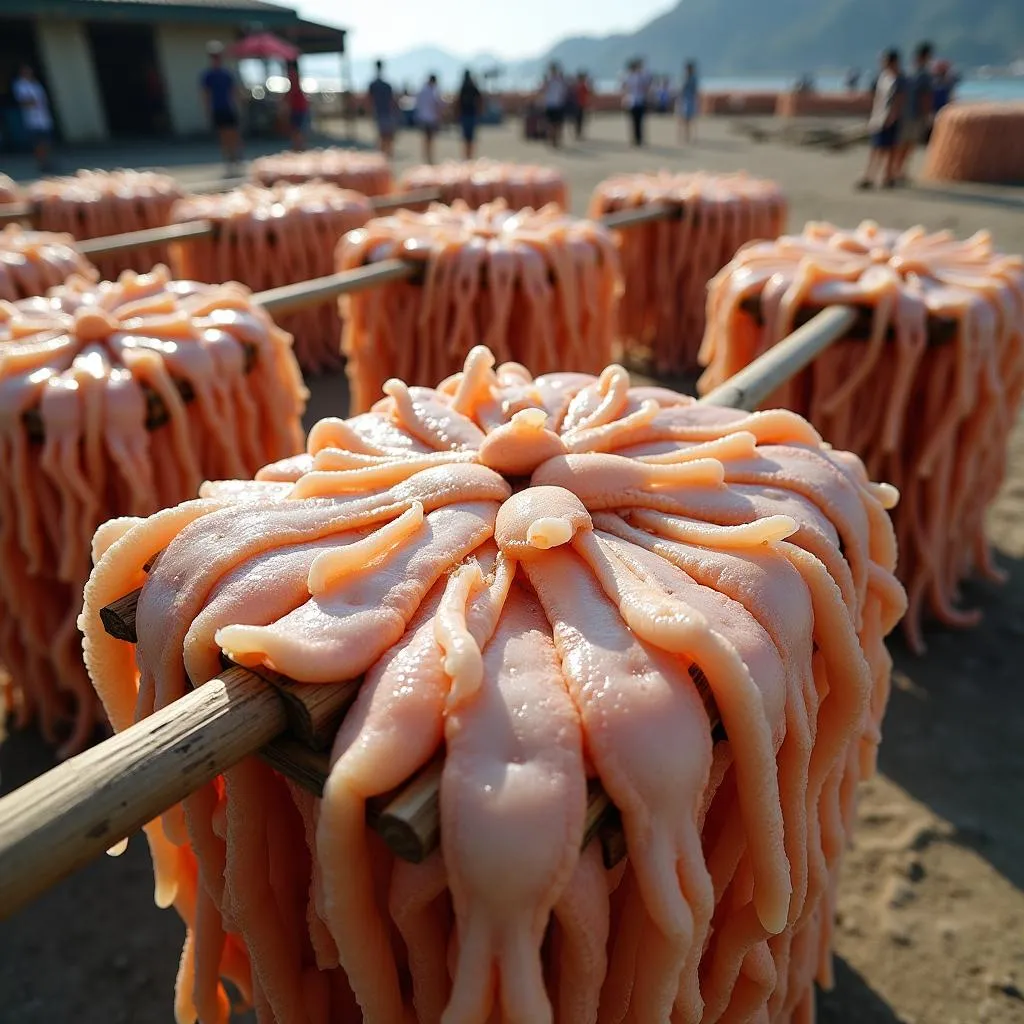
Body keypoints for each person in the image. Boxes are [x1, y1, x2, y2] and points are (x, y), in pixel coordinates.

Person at [857, 48, 905, 190]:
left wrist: (893, 116)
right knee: (876, 148)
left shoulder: (899, 79)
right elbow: (877, 98)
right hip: (879, 116)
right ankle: (870, 176)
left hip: (891, 118)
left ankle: (888, 176)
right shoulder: (883, 77)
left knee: (890, 149)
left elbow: (899, 99)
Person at [200, 42, 242, 175]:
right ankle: (228, 159)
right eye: (214, 56)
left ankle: (236, 157)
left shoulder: (226, 74)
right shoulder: (208, 75)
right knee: (223, 135)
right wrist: (207, 110)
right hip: (217, 108)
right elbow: (205, 93)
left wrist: (237, 105)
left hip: (228, 107)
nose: (216, 58)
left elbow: (233, 91)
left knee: (233, 133)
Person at [894, 41, 933, 182]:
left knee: (901, 142)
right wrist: (928, 115)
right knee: (909, 143)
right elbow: (925, 97)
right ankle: (900, 171)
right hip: (915, 114)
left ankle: (896, 169)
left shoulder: (908, 72)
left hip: (904, 113)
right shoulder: (924, 75)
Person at [13, 65, 53, 172]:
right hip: (32, 120)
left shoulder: (35, 84)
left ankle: (47, 161)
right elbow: (23, 101)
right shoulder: (20, 85)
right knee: (38, 143)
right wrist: (32, 103)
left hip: (44, 117)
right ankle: (41, 163)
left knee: (46, 141)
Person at [368, 60, 397, 158]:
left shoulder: (374, 84)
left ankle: (383, 156)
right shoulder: (386, 85)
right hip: (386, 113)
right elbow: (392, 101)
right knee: (387, 136)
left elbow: (369, 100)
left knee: (382, 136)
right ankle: (386, 155)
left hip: (379, 113)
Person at [415, 73, 443, 164]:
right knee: (430, 138)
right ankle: (429, 157)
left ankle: (425, 156)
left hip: (423, 117)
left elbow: (418, 103)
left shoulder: (422, 90)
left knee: (425, 138)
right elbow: (436, 104)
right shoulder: (432, 91)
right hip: (431, 118)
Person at [623, 58, 651, 147]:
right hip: (634, 101)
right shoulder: (632, 76)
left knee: (637, 121)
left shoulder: (633, 76)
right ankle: (637, 138)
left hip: (636, 101)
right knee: (636, 121)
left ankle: (637, 139)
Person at [457, 69, 482, 159]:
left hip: (468, 115)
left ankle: (468, 156)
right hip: (469, 114)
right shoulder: (470, 87)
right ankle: (469, 155)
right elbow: (480, 100)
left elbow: (458, 102)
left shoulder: (465, 87)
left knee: (467, 137)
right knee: (469, 137)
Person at [542, 63, 569, 148]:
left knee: (552, 124)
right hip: (556, 104)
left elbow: (543, 90)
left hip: (553, 104)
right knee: (557, 124)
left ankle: (553, 140)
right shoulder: (559, 80)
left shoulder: (550, 80)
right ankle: (555, 139)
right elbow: (565, 92)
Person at [285, 60, 310, 151]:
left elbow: (292, 90)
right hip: (300, 105)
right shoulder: (297, 75)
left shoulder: (292, 74)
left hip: (297, 106)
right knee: (299, 127)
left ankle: (298, 146)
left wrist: (285, 101)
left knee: (296, 128)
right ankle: (299, 146)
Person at [677, 61, 699, 143]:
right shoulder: (687, 78)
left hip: (688, 100)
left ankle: (687, 136)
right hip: (686, 100)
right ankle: (685, 136)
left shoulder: (691, 78)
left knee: (688, 120)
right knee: (685, 119)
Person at [572, 71, 591, 140]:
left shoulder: (576, 85)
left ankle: (578, 133)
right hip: (579, 104)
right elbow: (588, 93)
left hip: (578, 104)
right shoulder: (582, 85)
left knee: (578, 120)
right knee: (579, 120)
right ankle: (578, 134)